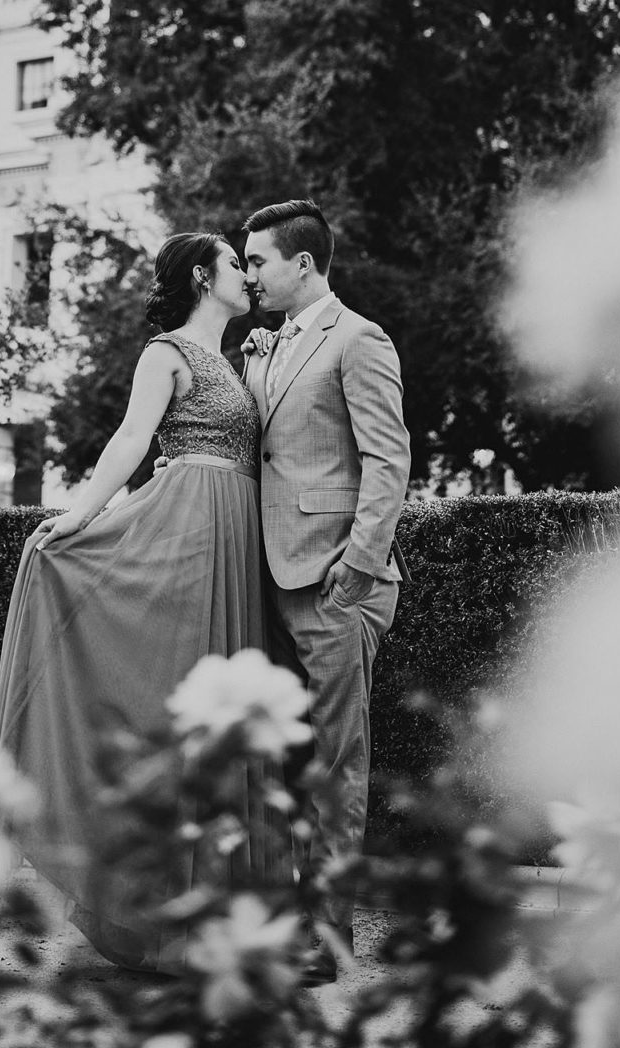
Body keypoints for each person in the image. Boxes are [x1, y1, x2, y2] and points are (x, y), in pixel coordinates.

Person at [0, 230, 277, 970]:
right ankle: (162, 907)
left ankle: (213, 908)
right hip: (186, 524)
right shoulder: (167, 353)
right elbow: (129, 441)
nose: (248, 274)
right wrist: (82, 515)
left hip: (234, 529)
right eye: (237, 264)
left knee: (217, 712)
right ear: (204, 276)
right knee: (175, 701)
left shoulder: (240, 358)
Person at [241, 197, 411, 975]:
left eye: (257, 262)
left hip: (336, 581)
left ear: (302, 264)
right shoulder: (265, 346)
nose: (249, 276)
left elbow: (387, 461)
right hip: (269, 578)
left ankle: (329, 937)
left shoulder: (360, 340)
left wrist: (359, 562)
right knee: (278, 759)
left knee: (338, 763)